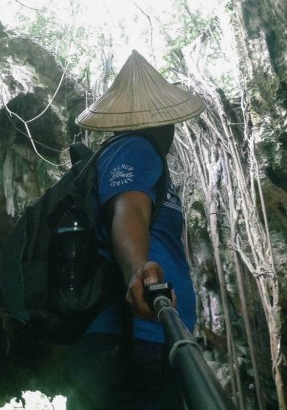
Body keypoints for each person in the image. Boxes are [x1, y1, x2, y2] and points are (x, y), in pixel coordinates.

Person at [64, 50, 204, 410]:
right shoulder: (136, 148)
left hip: (139, 340)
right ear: (159, 120)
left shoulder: (125, 155)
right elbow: (129, 212)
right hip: (132, 339)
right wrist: (138, 274)